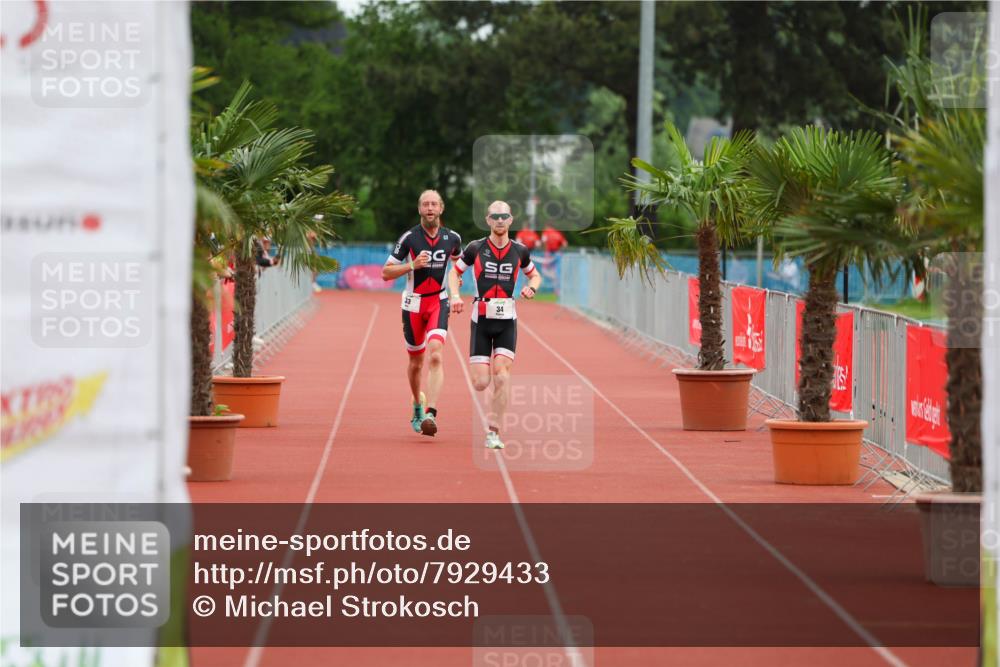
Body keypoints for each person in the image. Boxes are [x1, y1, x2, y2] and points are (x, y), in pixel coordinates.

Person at [448, 201, 542, 449]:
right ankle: (484, 372)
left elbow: (535, 274)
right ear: (488, 220)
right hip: (481, 319)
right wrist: (455, 295)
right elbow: (454, 273)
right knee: (481, 383)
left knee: (502, 375)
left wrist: (531, 287)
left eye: (504, 216)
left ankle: (494, 433)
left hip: (507, 321)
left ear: (511, 220)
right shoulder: (475, 248)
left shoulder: (520, 251)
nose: (500, 220)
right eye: (495, 216)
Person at [382, 190, 463, 437]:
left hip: (438, 301)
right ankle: (417, 405)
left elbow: (457, 269)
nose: (430, 208)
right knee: (416, 363)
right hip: (413, 305)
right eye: (425, 204)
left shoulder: (453, 238)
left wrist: (455, 292)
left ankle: (431, 413)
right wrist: (412, 265)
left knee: (436, 355)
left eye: (434, 204)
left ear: (441, 209)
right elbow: (386, 273)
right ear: (419, 210)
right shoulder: (409, 238)